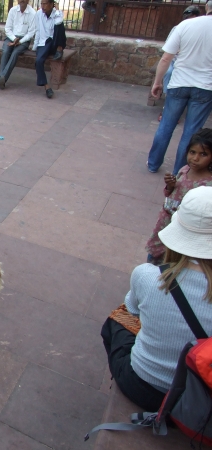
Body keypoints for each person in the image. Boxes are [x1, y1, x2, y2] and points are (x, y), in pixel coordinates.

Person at [102, 185, 212, 412]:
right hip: (202, 398)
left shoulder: (149, 275)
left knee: (120, 317)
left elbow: (132, 311)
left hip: (143, 387)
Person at [146, 13, 212, 175]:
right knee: (191, 131)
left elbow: (166, 58)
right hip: (205, 86)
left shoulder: (186, 25)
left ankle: (153, 163)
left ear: (206, 7)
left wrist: (158, 82)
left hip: (179, 83)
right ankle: (180, 172)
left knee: (166, 125)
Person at [146, 129, 212, 265]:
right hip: (165, 220)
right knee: (156, 252)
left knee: (173, 257)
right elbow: (171, 193)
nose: (195, 158)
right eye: (192, 152)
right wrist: (170, 185)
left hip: (184, 226)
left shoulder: (208, 185)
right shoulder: (185, 169)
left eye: (203, 154)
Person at [158, 5, 201, 122]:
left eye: (191, 17)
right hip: (175, 60)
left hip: (190, 63)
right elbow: (168, 50)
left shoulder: (201, 29)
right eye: (187, 17)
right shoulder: (178, 28)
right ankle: (167, 104)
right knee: (169, 72)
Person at [0, 0, 36, 90]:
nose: (22, 0)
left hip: (24, 40)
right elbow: (8, 29)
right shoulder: (13, 10)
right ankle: (2, 78)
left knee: (15, 53)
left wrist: (20, 41)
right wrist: (14, 39)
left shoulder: (32, 13)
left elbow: (31, 33)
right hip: (11, 37)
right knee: (6, 51)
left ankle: (1, 77)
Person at [32, 0, 66, 99]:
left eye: (45, 4)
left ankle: (60, 49)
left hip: (54, 43)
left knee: (60, 25)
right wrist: (35, 46)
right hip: (43, 43)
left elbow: (59, 24)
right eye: (41, 3)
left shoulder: (57, 14)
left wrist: (57, 12)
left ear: (51, 4)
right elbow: (38, 30)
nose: (43, 6)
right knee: (38, 61)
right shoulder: (39, 14)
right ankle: (47, 87)